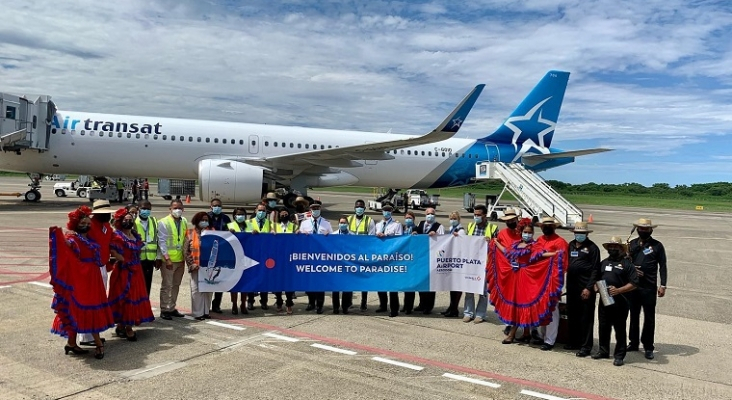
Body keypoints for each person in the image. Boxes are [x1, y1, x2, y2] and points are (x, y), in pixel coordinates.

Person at [49, 206, 115, 360]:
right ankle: (98, 343)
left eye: (87, 222)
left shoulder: (89, 239)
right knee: (84, 309)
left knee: (83, 309)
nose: (86, 225)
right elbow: (66, 246)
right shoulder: (74, 238)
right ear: (75, 224)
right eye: (82, 223)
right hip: (81, 278)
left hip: (93, 277)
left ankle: (71, 343)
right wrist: (60, 237)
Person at [490, 219, 563, 344]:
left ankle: (513, 334)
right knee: (517, 304)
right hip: (515, 277)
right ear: (521, 232)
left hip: (526, 277)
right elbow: (506, 252)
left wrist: (553, 254)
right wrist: (496, 243)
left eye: (530, 232)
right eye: (525, 232)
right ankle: (526, 333)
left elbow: (541, 255)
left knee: (522, 304)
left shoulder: (534, 245)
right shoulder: (516, 244)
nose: (527, 234)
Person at [108, 208, 155, 341]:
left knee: (135, 297)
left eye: (130, 219)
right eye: (125, 220)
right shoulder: (117, 235)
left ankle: (123, 326)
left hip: (136, 271)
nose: (128, 221)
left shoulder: (135, 234)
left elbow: (138, 251)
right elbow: (113, 251)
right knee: (125, 298)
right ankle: (127, 327)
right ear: (119, 221)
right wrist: (123, 259)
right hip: (123, 271)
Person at [78, 200, 121, 347]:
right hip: (90, 269)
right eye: (103, 214)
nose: (106, 216)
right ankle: (85, 336)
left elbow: (109, 244)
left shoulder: (107, 227)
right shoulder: (89, 226)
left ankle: (93, 333)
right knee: (89, 302)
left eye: (108, 213)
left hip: (101, 267)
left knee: (98, 302)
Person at [592, 236, 639, 366]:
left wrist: (619, 290)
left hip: (620, 302)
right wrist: (596, 286)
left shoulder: (627, 264)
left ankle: (619, 355)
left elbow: (634, 283)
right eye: (610, 246)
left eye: (615, 246)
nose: (612, 248)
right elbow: (596, 278)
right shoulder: (604, 263)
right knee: (603, 327)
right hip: (605, 300)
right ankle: (603, 351)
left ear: (620, 248)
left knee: (619, 329)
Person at [443, 205, 496, 318]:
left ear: (484, 215)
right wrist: (458, 237)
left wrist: (490, 242)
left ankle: (480, 315)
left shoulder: (493, 228)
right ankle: (468, 313)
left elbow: (497, 246)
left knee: (483, 291)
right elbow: (466, 243)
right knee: (469, 288)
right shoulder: (471, 226)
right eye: (475, 214)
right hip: (471, 262)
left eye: (479, 215)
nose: (476, 217)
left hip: (485, 264)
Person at [628, 218, 667, 360]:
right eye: (641, 228)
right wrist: (632, 270)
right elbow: (626, 262)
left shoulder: (657, 246)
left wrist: (663, 285)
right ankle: (633, 342)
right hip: (633, 286)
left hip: (649, 287)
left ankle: (648, 346)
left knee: (649, 318)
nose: (643, 231)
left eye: (646, 229)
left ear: (651, 230)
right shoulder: (631, 244)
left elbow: (662, 265)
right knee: (633, 315)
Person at [565, 221, 601, 357]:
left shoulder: (592, 248)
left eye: (582, 233)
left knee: (586, 317)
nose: (579, 235)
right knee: (573, 315)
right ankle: (574, 341)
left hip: (585, 286)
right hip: (572, 286)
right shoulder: (571, 245)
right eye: (577, 233)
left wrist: (588, 288)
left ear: (586, 234)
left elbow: (595, 269)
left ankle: (586, 346)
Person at [533, 216, 569, 351]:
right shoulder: (539, 240)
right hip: (538, 279)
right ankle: (542, 336)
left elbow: (563, 264)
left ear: (554, 227)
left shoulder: (560, 242)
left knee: (552, 309)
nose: (546, 228)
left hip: (553, 280)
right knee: (541, 308)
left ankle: (550, 340)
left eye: (549, 226)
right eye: (544, 226)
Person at [298, 200, 332, 314]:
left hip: (321, 257)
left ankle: (319, 305)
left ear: (320, 209)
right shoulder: (304, 223)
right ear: (310, 210)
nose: (315, 210)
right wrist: (301, 235)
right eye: (313, 209)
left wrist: (328, 236)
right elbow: (300, 241)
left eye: (317, 208)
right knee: (309, 282)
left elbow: (334, 240)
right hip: (308, 257)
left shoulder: (326, 223)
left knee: (320, 282)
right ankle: (311, 302)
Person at [157, 199, 188, 320]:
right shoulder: (163, 222)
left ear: (183, 209)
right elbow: (162, 242)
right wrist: (166, 258)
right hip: (169, 260)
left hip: (180, 259)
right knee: (167, 285)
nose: (177, 210)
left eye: (180, 208)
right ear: (170, 209)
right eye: (175, 208)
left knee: (176, 285)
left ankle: (172, 307)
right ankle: (164, 309)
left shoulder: (184, 221)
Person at [410, 208, 443, 315]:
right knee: (421, 282)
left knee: (430, 283)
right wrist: (414, 232)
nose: (430, 215)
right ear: (425, 214)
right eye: (428, 213)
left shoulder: (439, 226)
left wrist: (436, 235)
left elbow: (444, 242)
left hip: (432, 258)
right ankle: (422, 304)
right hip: (420, 257)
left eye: (432, 214)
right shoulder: (421, 223)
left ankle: (429, 306)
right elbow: (416, 232)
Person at [374, 201, 403, 317]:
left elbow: (400, 241)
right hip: (380, 258)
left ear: (392, 211)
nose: (386, 212)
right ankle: (383, 305)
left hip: (392, 258)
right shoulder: (378, 225)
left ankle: (394, 308)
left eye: (389, 210)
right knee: (381, 284)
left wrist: (387, 237)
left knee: (392, 285)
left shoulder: (396, 225)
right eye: (385, 210)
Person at [496, 208, 522, 334]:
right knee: (507, 298)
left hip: (520, 271)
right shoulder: (501, 234)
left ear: (517, 219)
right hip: (506, 271)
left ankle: (524, 325)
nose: (510, 222)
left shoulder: (522, 233)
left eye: (512, 220)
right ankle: (508, 323)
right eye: (508, 220)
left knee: (520, 298)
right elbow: (495, 250)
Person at [184, 212, 214, 320]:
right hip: (196, 266)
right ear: (197, 221)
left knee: (208, 289)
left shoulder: (213, 232)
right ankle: (198, 313)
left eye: (206, 220)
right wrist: (191, 264)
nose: (205, 222)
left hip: (209, 267)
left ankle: (206, 311)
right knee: (196, 290)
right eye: (202, 220)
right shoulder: (190, 233)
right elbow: (186, 251)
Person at [348, 199, 376, 311]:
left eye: (361, 207)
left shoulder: (370, 220)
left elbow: (372, 238)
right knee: (349, 278)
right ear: (354, 208)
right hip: (351, 254)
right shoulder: (349, 219)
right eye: (357, 206)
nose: (359, 209)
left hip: (364, 254)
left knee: (364, 280)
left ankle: (363, 302)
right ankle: (348, 301)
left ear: (364, 208)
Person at [245, 203, 273, 310]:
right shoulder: (248, 223)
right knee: (251, 279)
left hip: (265, 255)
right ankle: (250, 301)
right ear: (255, 211)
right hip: (251, 255)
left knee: (264, 279)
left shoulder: (270, 224)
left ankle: (264, 301)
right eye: (260, 210)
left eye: (263, 211)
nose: (261, 213)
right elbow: (242, 237)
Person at [225, 207, 249, 314]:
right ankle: (234, 304)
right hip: (234, 257)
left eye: (242, 214)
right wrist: (229, 233)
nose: (240, 216)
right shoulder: (229, 226)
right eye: (238, 214)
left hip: (247, 257)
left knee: (245, 283)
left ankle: (243, 304)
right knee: (234, 283)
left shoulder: (250, 226)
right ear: (234, 216)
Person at [273, 208, 296, 314]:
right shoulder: (275, 227)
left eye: (286, 214)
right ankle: (279, 301)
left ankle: (289, 302)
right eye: (282, 214)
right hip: (278, 258)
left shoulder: (294, 227)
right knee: (278, 281)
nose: (284, 216)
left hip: (290, 258)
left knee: (289, 282)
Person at [135, 200, 159, 297]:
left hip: (150, 259)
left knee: (147, 286)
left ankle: (145, 308)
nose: (146, 211)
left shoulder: (154, 221)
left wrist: (158, 258)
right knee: (136, 286)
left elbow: (158, 240)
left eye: (148, 209)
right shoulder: (133, 222)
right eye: (143, 208)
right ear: (138, 209)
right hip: (137, 260)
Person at [331, 216, 353, 314]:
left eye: (344, 223)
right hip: (336, 264)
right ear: (338, 223)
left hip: (348, 264)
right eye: (341, 222)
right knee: (335, 288)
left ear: (347, 224)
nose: (342, 224)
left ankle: (345, 307)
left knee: (347, 287)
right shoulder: (333, 235)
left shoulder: (352, 235)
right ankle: (336, 307)